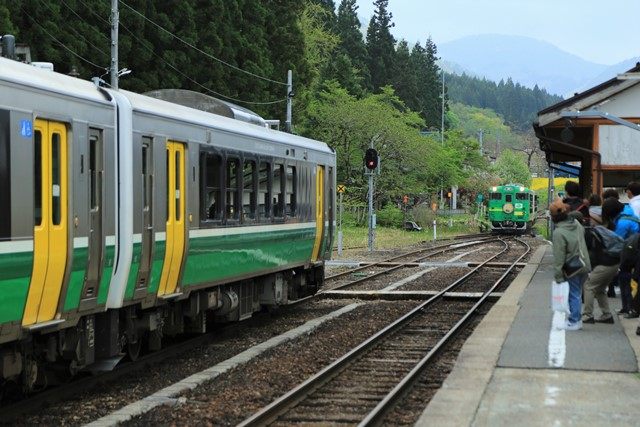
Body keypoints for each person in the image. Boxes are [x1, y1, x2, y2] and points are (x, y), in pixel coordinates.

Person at [551, 198, 591, 330]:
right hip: (584, 262)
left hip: (572, 267)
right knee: (577, 293)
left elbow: (559, 257)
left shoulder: (559, 233)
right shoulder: (577, 224)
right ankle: (575, 318)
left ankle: (574, 321)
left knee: (573, 294)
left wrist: (558, 275)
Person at [602, 197, 640, 318]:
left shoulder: (622, 222)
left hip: (631, 252)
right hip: (633, 250)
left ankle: (629, 308)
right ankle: (627, 307)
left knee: (626, 279)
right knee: (626, 279)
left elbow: (616, 240)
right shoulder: (628, 210)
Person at [582, 222, 619, 324]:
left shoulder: (588, 235)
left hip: (605, 265)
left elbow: (590, 254)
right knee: (600, 289)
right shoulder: (596, 231)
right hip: (614, 263)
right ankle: (607, 315)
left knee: (588, 286)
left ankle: (587, 315)